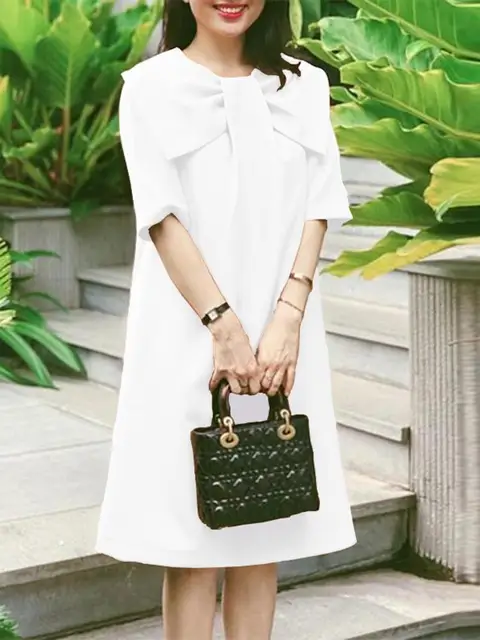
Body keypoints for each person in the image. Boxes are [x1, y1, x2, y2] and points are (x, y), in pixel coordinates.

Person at [96, 0, 357, 637]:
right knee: (191, 545)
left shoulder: (305, 83)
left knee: (262, 529)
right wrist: (224, 326)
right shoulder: (150, 88)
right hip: (185, 326)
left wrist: (289, 315)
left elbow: (319, 204)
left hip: (281, 331)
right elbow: (161, 217)